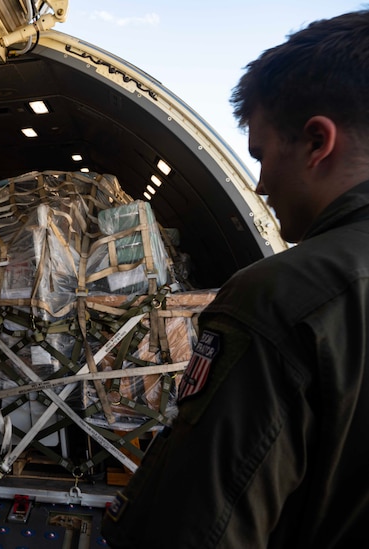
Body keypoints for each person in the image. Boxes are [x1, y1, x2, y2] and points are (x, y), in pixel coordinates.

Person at [101, 10, 369, 548]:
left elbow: (200, 527)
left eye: (262, 156)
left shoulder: (280, 299)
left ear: (318, 142)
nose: (262, 184)